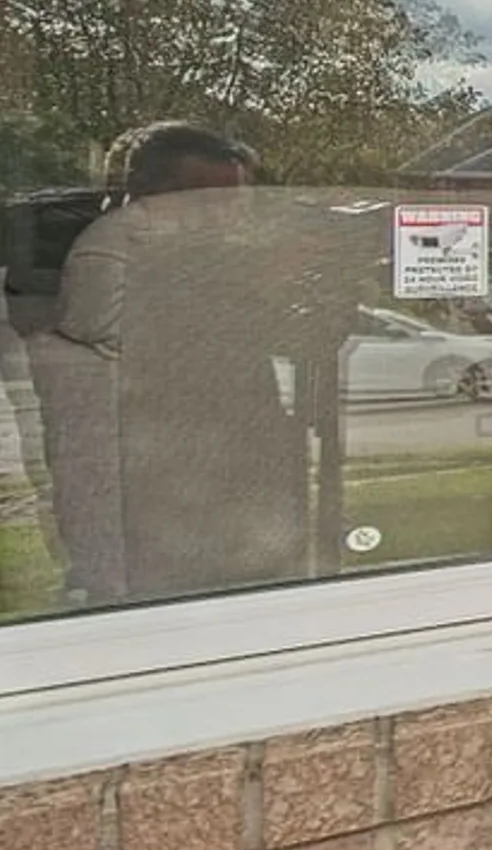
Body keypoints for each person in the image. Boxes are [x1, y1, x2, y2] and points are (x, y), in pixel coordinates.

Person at [51, 122, 310, 602]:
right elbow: (101, 335)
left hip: (236, 447)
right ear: (153, 192)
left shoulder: (216, 253)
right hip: (164, 461)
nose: (228, 216)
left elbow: (273, 337)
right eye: (207, 201)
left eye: (236, 202)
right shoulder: (115, 244)